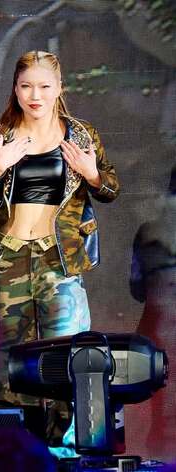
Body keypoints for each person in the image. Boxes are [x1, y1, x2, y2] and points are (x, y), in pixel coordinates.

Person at [0, 50, 119, 456]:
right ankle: (21, 444)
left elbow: (110, 189)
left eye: (44, 86)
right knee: (11, 354)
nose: (35, 95)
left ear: (59, 88)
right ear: (15, 89)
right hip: (11, 254)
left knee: (65, 348)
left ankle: (65, 445)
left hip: (59, 255)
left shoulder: (80, 134)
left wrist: (91, 174)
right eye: (26, 86)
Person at [129, 167, 176, 461]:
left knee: (162, 415)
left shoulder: (148, 233)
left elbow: (136, 289)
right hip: (158, 332)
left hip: (155, 334)